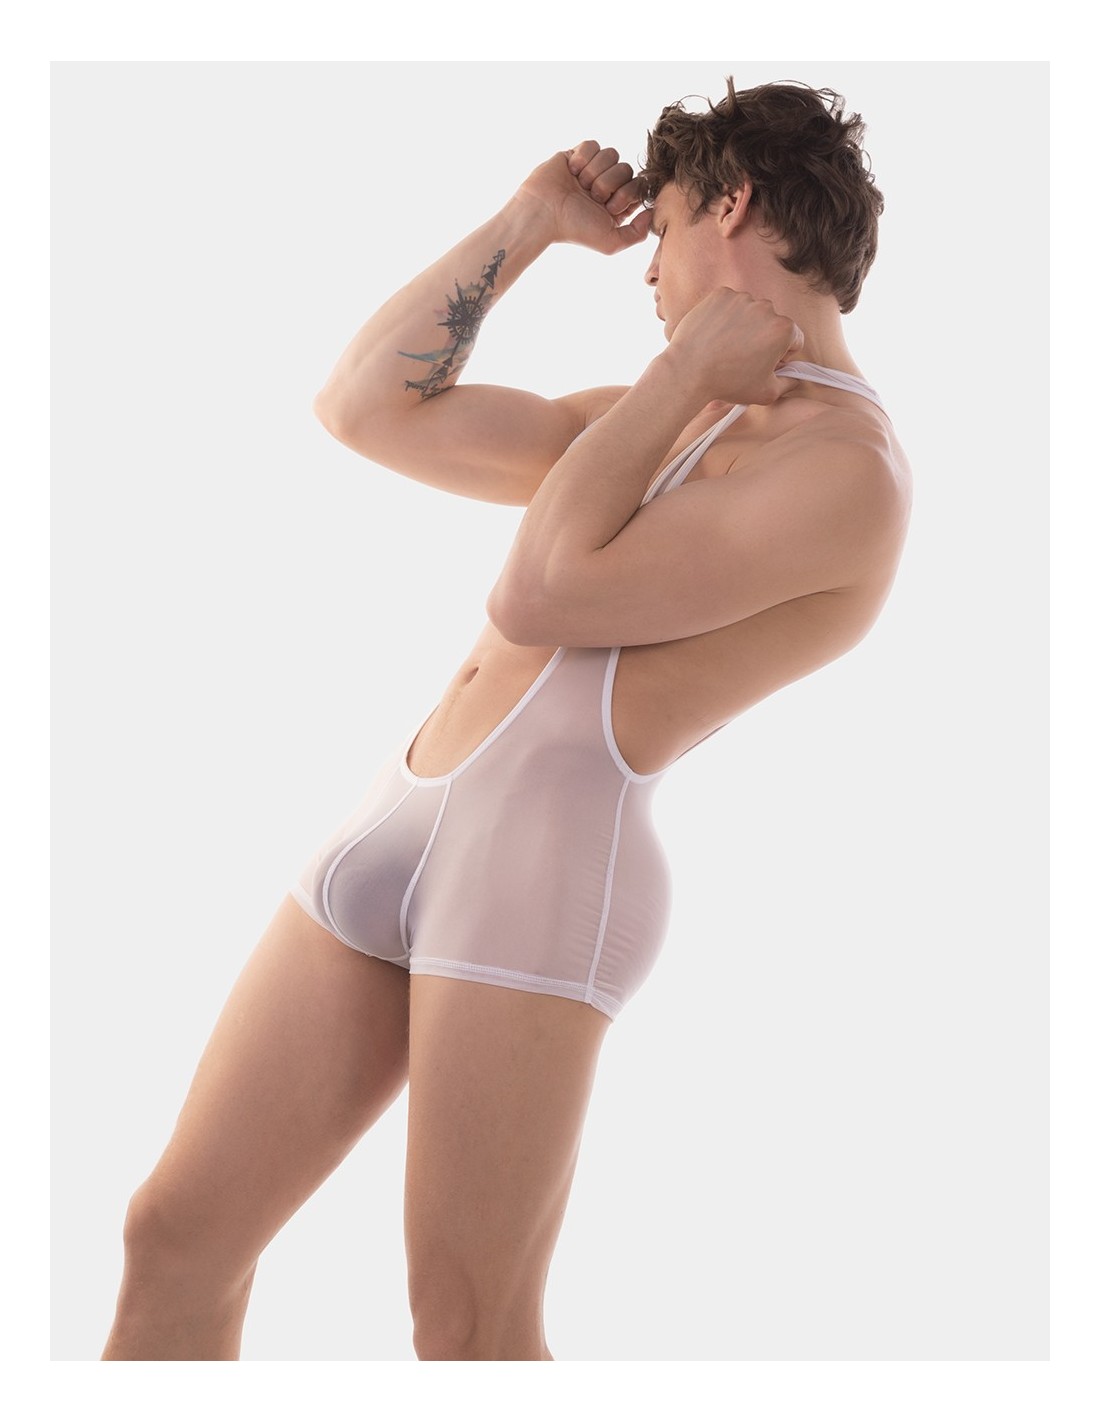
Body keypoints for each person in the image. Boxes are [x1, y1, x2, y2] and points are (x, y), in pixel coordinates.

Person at [101, 76, 911, 1362]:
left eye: (659, 232)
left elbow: (537, 596)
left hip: (539, 869)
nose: (645, 272)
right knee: (175, 1239)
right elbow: (364, 407)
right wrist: (527, 224)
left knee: (468, 1331)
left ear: (731, 202)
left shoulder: (844, 474)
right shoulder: (670, 416)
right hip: (402, 812)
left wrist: (672, 375)